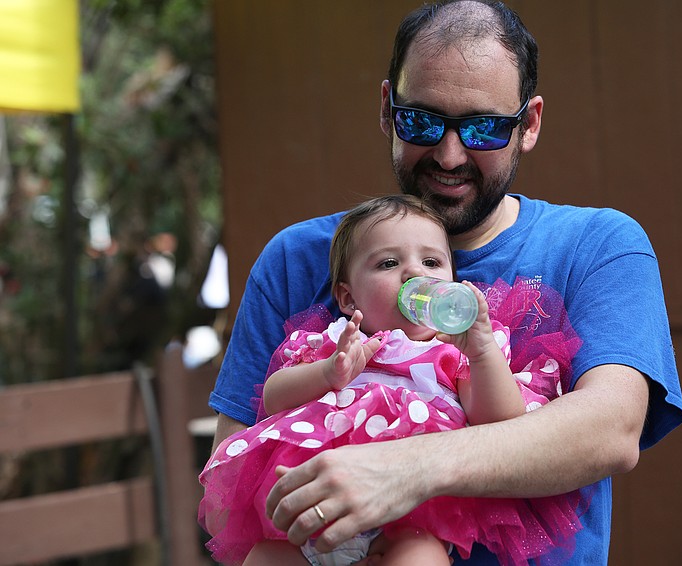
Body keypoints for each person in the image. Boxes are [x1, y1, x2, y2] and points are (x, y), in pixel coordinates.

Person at [208, 1, 682, 563]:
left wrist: (408, 469)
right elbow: (228, 477)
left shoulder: (598, 245)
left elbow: (610, 430)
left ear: (527, 125)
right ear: (388, 109)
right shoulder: (298, 258)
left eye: (483, 129)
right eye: (422, 121)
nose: (450, 153)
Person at [199, 195, 584, 565]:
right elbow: (273, 399)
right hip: (309, 520)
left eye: (432, 262)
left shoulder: (454, 350)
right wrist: (328, 372)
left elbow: (500, 423)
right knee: (263, 559)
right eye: (387, 264)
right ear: (349, 299)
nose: (415, 273)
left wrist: (483, 354)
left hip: (409, 522)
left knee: (422, 558)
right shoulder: (338, 342)